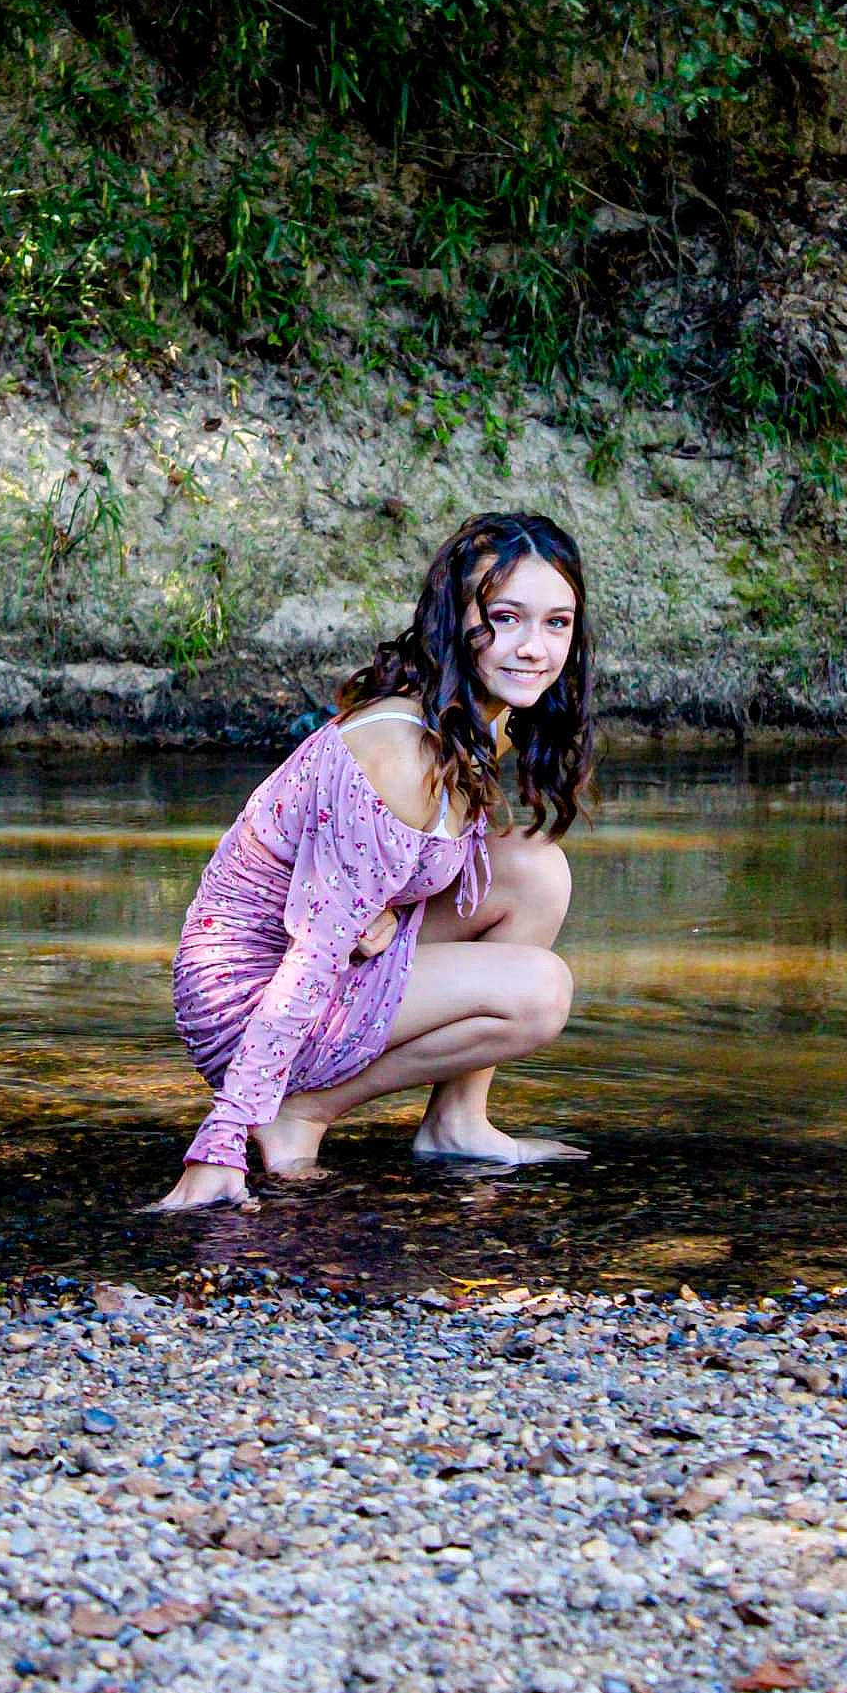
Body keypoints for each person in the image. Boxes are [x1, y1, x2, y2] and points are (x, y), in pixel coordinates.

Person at [150, 511, 595, 1212]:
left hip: (329, 965)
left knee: (533, 870)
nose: (534, 648)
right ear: (455, 619)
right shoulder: (400, 750)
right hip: (248, 995)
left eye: (556, 623)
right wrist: (222, 1137)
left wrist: (383, 909)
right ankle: (299, 1113)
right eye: (506, 618)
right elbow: (312, 952)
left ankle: (457, 1123)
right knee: (540, 991)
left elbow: (389, 870)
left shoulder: (479, 719)